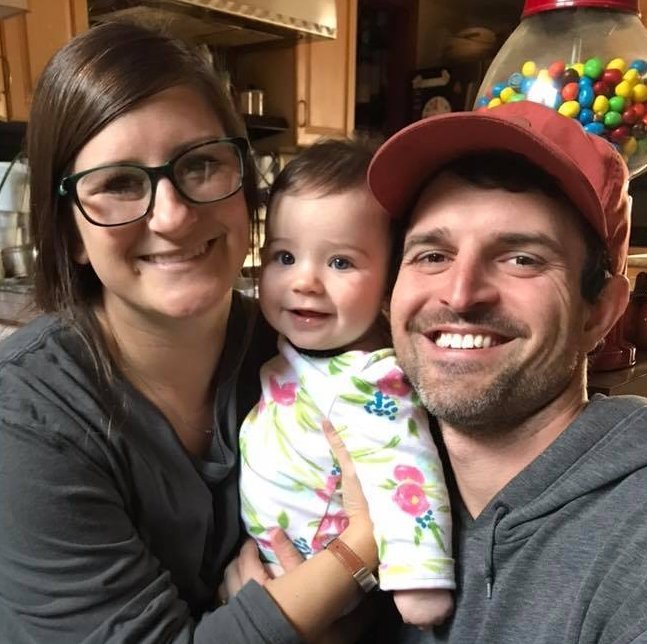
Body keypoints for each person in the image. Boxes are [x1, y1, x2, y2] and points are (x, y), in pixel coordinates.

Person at [0, 21, 379, 643]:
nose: (172, 216)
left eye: (200, 164)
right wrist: (355, 555)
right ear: (70, 234)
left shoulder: (310, 350)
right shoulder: (26, 421)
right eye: (120, 184)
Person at [364, 100, 647, 643]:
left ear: (601, 313)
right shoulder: (363, 472)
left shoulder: (633, 534)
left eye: (522, 258)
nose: (461, 292)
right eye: (431, 255)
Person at [238, 139, 455, 629]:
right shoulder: (291, 352)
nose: (305, 281)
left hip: (330, 591)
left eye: (340, 263)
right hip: (271, 570)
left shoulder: (371, 382)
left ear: (388, 283)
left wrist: (421, 579)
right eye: (284, 257)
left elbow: (408, 473)